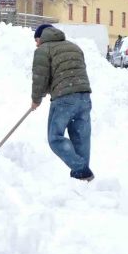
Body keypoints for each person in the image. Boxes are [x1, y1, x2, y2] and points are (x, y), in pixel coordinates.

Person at [30, 24, 94, 181]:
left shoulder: (43, 50)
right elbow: (71, 72)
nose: (36, 44)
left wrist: (36, 99)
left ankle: (81, 169)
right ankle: (82, 179)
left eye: (36, 40)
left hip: (64, 99)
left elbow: (40, 77)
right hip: (84, 96)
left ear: (41, 37)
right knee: (81, 138)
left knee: (55, 138)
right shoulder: (74, 47)